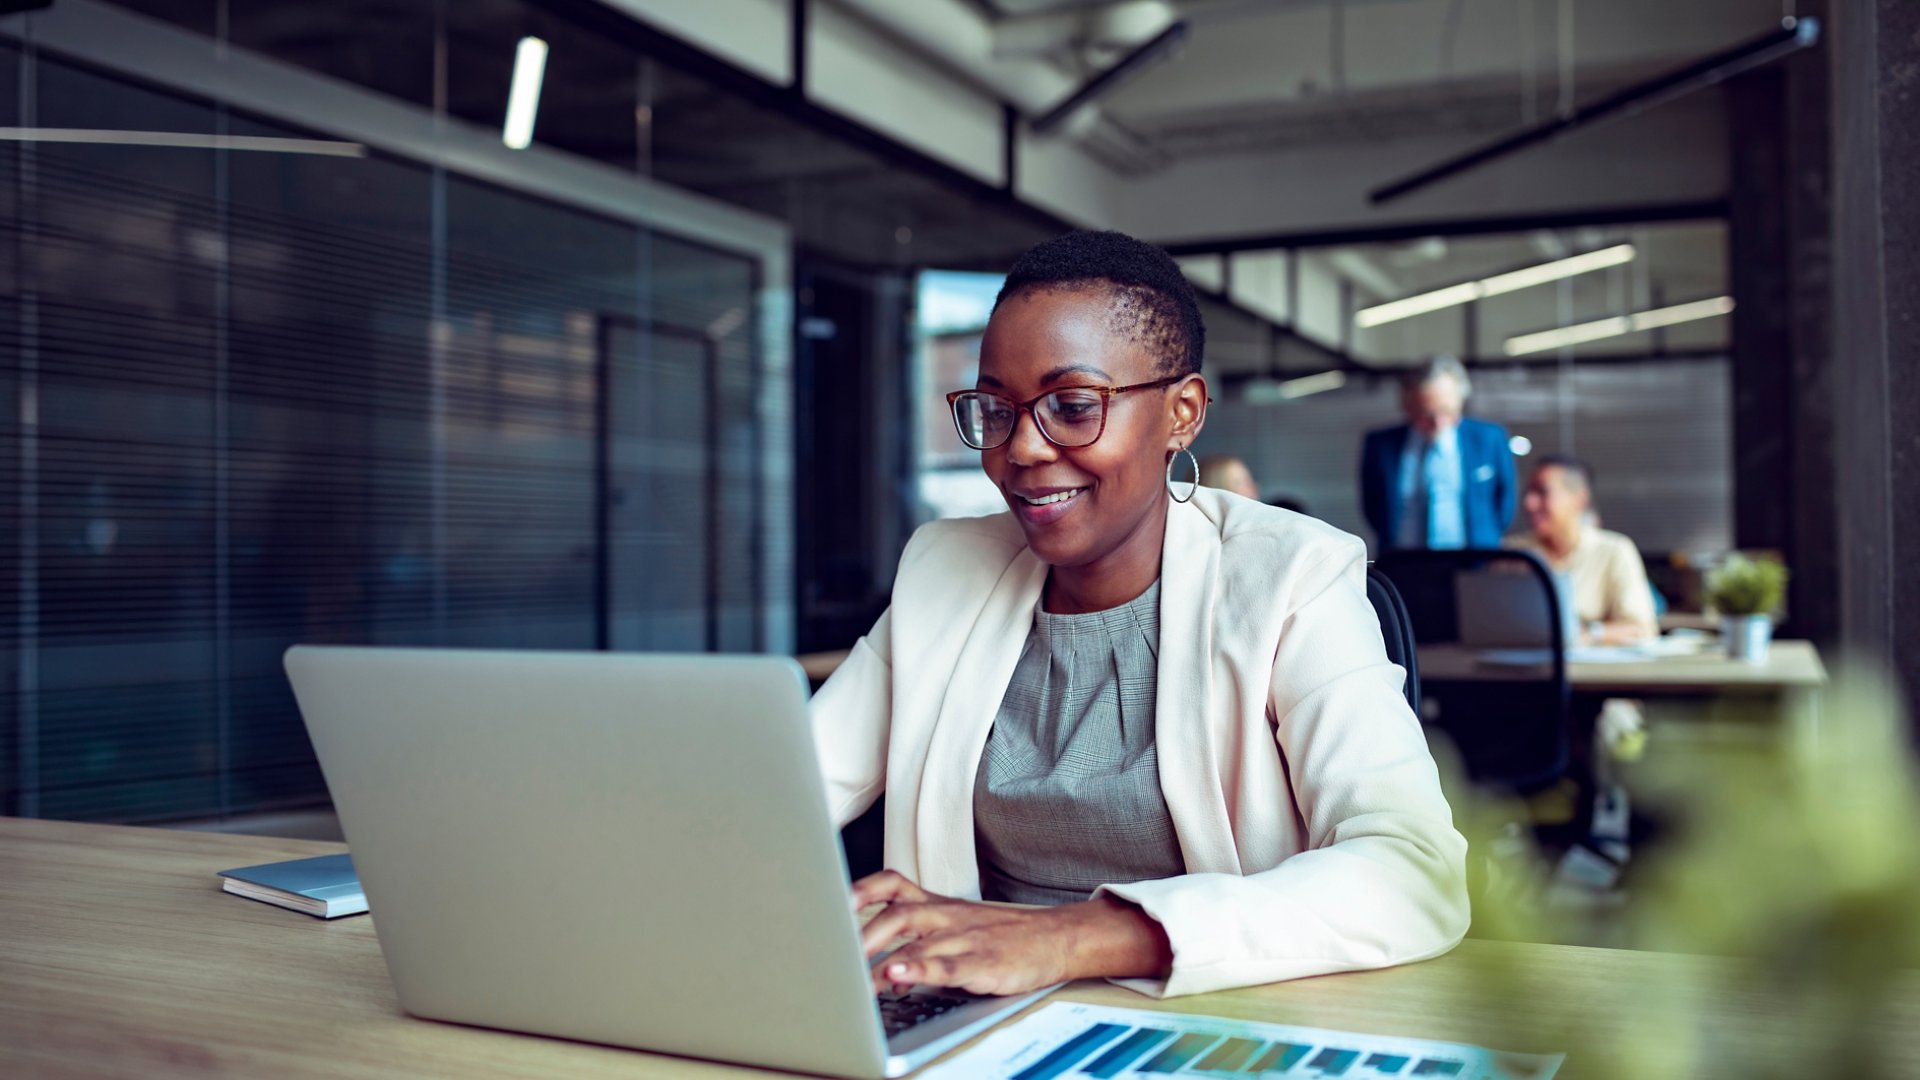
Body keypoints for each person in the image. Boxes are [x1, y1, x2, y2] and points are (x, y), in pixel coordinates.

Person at [809, 231, 1468, 1001]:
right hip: (973, 1021)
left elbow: (1412, 869)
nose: (1021, 449)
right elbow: (780, 797)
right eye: (996, 408)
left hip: (1215, 1021)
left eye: (1074, 405)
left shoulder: (1292, 575)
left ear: (1182, 413)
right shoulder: (943, 572)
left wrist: (1070, 940)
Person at [1359, 357, 1515, 551]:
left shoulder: (1490, 439)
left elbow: (1504, 504)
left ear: (1460, 403)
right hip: (1402, 563)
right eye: (1428, 414)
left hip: (1473, 563)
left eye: (1447, 411)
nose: (1438, 423)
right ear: (1408, 406)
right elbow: (1373, 507)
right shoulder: (1380, 445)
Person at [1506, 455, 1658, 645]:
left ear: (1579, 500)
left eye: (1542, 492)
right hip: (1519, 669)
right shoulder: (1512, 552)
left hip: (1591, 671)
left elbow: (1641, 628)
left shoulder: (1614, 550)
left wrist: (1588, 634)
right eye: (1529, 493)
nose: (1529, 503)